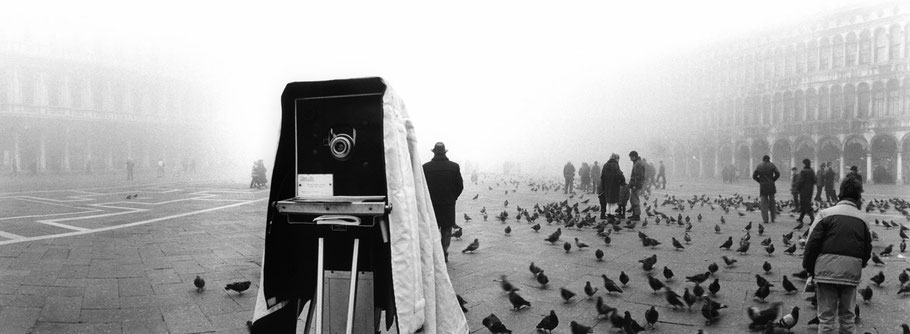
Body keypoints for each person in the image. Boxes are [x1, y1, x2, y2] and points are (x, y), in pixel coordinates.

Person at [802, 177, 871, 334]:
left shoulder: (824, 214)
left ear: (840, 194)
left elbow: (811, 245)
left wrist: (810, 269)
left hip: (825, 273)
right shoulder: (863, 219)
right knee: (848, 318)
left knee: (826, 319)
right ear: (858, 197)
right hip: (850, 274)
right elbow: (867, 251)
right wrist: (858, 265)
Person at [423, 142, 464, 263]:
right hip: (448, 204)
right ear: (445, 152)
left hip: (432, 205)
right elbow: (460, 186)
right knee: (446, 230)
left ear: (434, 152)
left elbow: (422, 187)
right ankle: (443, 252)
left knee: (432, 229)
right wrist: (452, 197)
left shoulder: (425, 167)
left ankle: (434, 254)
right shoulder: (454, 167)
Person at [752, 155, 780, 224]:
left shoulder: (759, 166)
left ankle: (765, 219)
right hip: (771, 186)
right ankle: (773, 218)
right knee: (772, 203)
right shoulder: (772, 165)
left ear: (763, 159)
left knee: (764, 204)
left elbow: (754, 176)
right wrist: (773, 180)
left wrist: (760, 181)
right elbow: (778, 174)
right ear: (768, 159)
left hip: (763, 187)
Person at [598, 154, 625, 219]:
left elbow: (602, 176)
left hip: (606, 186)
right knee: (613, 201)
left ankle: (608, 214)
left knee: (608, 201)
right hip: (614, 185)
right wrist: (622, 180)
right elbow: (619, 174)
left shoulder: (606, 164)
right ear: (616, 159)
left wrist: (604, 185)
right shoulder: (615, 165)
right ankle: (612, 216)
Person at [797, 159, 817, 224]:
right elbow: (815, 180)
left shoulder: (803, 171)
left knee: (806, 204)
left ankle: (812, 219)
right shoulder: (812, 171)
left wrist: (798, 188)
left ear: (805, 164)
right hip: (810, 190)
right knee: (805, 203)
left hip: (803, 190)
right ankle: (801, 218)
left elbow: (800, 181)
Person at [628, 151, 646, 221]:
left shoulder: (637, 164)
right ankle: (635, 214)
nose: (630, 159)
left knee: (634, 199)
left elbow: (638, 176)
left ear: (634, 157)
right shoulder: (637, 162)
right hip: (636, 184)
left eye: (630, 157)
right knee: (633, 199)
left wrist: (635, 185)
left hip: (636, 184)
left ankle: (636, 215)